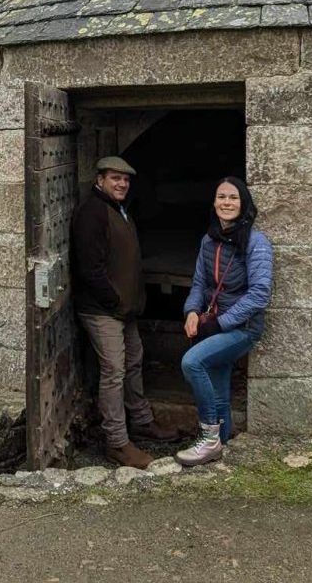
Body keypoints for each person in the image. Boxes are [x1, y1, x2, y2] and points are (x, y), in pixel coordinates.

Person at [71, 155, 178, 468]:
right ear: (100, 179)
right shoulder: (92, 213)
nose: (121, 184)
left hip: (123, 310)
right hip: (104, 311)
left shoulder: (117, 209)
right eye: (115, 178)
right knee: (114, 372)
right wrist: (115, 303)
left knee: (133, 362)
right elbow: (90, 270)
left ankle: (142, 421)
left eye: (126, 180)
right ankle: (117, 442)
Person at [176, 176, 273, 467]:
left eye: (233, 198)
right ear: (214, 202)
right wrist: (192, 311)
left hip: (242, 329)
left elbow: (259, 295)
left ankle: (208, 438)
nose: (226, 203)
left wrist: (221, 323)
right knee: (219, 390)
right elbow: (199, 282)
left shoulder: (256, 243)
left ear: (243, 205)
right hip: (212, 322)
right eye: (221, 197)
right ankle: (223, 445)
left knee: (193, 362)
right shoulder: (209, 240)